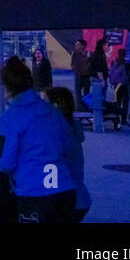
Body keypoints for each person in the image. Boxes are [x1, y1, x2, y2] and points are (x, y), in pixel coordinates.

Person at [0, 57, 78, 223]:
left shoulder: (10, 118)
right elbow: (70, 145)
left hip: (33, 192)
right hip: (64, 188)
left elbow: (5, 163)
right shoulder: (52, 112)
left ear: (6, 86)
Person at [46, 86, 92, 221]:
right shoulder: (71, 127)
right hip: (79, 197)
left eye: (44, 103)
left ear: (55, 106)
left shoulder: (59, 133)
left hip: (66, 199)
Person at [108, 47, 130, 123]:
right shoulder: (128, 64)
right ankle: (124, 120)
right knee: (125, 103)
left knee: (117, 102)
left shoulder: (114, 62)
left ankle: (117, 119)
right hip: (126, 85)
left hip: (117, 85)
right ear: (125, 54)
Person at [71, 39, 91, 110]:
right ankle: (79, 108)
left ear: (83, 46)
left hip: (87, 76)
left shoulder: (88, 53)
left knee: (86, 93)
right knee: (77, 93)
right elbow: (72, 63)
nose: (76, 46)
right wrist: (74, 70)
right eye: (76, 44)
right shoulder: (74, 53)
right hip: (78, 75)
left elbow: (90, 64)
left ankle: (86, 108)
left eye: (78, 44)